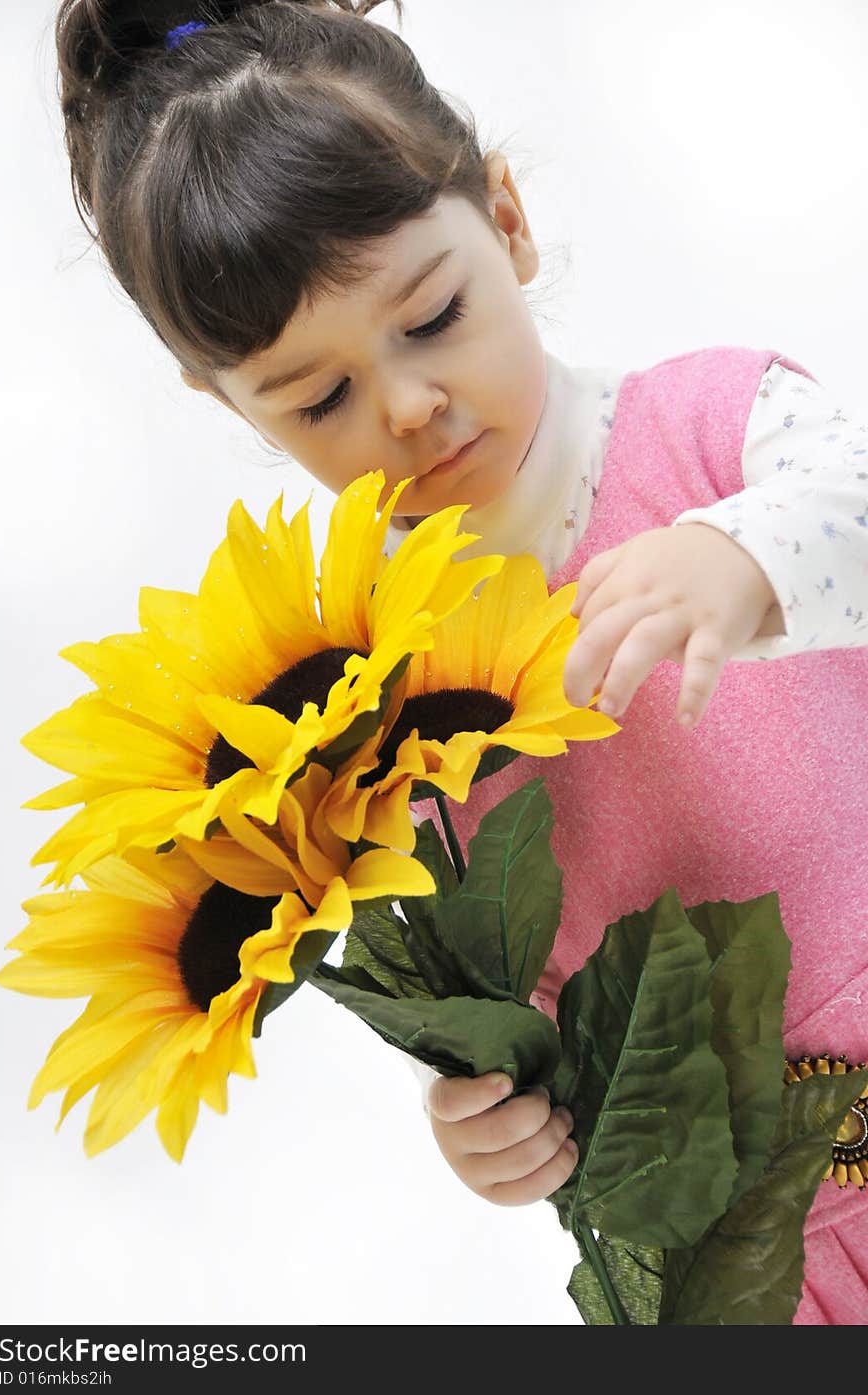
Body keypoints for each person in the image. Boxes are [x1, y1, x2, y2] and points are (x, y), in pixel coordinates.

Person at [54, 0, 867, 1323]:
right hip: (745, 1267)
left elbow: (858, 494)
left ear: (506, 218)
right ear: (233, 404)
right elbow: (474, 961)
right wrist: (488, 1114)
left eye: (433, 316)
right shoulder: (354, 688)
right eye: (317, 400)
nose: (406, 405)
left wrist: (746, 557)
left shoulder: (716, 429)